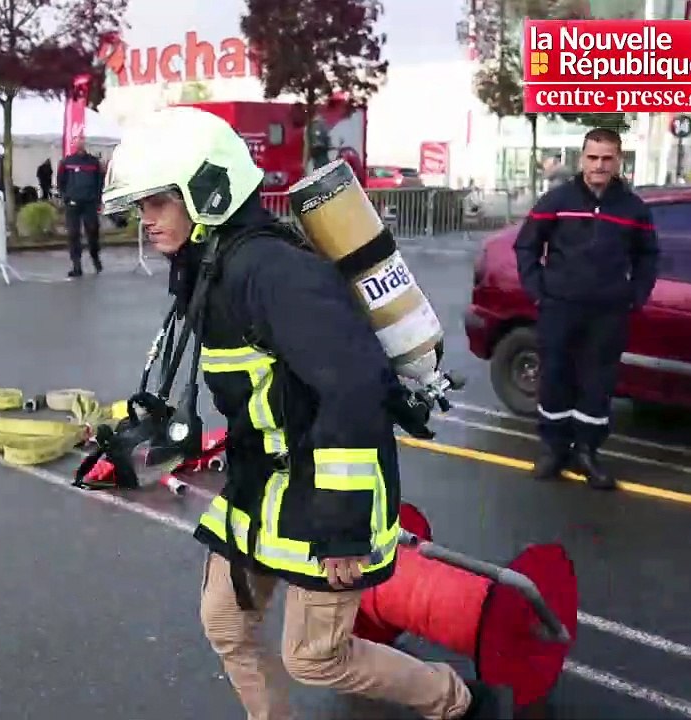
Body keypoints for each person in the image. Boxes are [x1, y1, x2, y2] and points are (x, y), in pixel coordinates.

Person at [98, 106, 510, 719]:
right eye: (142, 206)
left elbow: (353, 392)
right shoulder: (207, 267)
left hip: (326, 489)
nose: (145, 220)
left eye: (158, 202)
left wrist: (342, 531)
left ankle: (458, 701)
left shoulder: (274, 273)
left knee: (316, 657)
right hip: (261, 483)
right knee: (225, 623)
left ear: (208, 191)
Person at [514, 128, 659, 490]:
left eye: (607, 158)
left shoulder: (633, 208)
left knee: (597, 384)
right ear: (582, 159)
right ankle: (553, 450)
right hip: (559, 309)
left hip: (608, 314)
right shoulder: (557, 200)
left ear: (618, 161)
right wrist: (538, 291)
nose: (599, 165)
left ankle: (587, 454)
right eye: (592, 157)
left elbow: (648, 256)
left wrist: (635, 295)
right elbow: (526, 246)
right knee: (556, 379)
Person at [58, 141, 104, 278]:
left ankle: (95, 258)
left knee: (93, 232)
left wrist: (97, 199)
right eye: (77, 144)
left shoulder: (93, 162)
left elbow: (99, 181)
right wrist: (65, 196)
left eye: (82, 144)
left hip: (89, 203)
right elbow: (61, 181)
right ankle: (76, 266)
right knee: (73, 234)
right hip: (73, 203)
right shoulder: (67, 162)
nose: (80, 146)